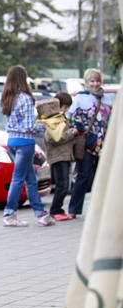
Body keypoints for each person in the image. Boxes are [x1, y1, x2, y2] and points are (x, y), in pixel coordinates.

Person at [1, 65, 55, 227]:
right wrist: (45, 125)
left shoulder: (8, 98)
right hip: (25, 143)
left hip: (12, 141)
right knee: (18, 179)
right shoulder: (25, 98)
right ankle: (9, 213)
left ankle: (40, 214)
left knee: (31, 179)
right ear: (23, 79)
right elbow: (29, 126)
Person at [66, 68, 112, 219]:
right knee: (83, 176)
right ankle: (74, 209)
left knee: (104, 178)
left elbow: (109, 120)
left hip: (103, 143)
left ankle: (102, 209)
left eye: (98, 81)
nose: (95, 84)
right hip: (86, 143)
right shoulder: (80, 98)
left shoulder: (106, 99)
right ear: (86, 82)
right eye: (92, 81)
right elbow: (71, 118)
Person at [36, 93, 78, 221]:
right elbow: (55, 138)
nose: (66, 109)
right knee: (62, 185)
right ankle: (55, 210)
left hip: (64, 155)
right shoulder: (52, 120)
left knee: (64, 184)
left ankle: (58, 209)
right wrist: (71, 133)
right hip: (58, 156)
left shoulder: (59, 118)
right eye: (65, 107)